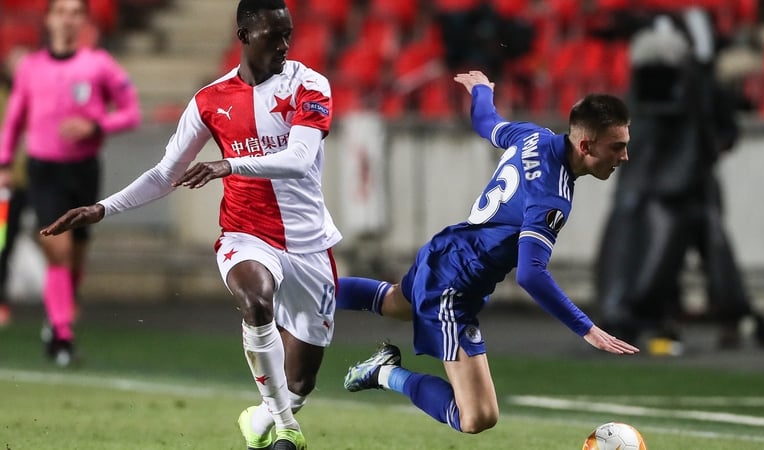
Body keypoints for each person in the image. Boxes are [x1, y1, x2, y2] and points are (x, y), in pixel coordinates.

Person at [41, 1, 338, 448]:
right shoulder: (210, 101)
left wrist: (228, 165)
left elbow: (298, 160)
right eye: (272, 35)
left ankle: (264, 421)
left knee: (301, 382)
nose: (284, 45)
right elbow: (166, 174)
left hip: (309, 242)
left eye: (287, 34)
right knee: (255, 301)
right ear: (243, 37)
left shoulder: (310, 85)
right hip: (246, 233)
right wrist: (103, 208)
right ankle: (287, 431)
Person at [336, 70, 639, 434]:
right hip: (455, 285)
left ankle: (301, 288)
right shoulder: (551, 197)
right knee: (478, 417)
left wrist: (481, 91)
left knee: (392, 303)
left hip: (445, 249)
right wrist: (586, 328)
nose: (624, 156)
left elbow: (486, 122)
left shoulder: (533, 135)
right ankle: (385, 373)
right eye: (617, 147)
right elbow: (530, 274)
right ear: (586, 146)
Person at [594, 10, 764, 353]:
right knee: (667, 253)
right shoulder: (685, 88)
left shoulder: (686, 90)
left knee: (671, 252)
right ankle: (710, 317)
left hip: (675, 182)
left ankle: (710, 316)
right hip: (673, 183)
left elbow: (720, 129)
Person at [0, 0, 141, 351]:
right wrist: (3, 162)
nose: (68, 19)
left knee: (76, 254)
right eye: (61, 12)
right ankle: (62, 334)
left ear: (84, 21)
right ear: (49, 19)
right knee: (57, 247)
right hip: (43, 169)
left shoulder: (99, 65)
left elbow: (131, 113)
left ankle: (59, 312)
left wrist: (95, 125)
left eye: (75, 13)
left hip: (83, 170)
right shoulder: (31, 68)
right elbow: (15, 119)